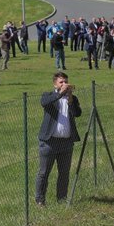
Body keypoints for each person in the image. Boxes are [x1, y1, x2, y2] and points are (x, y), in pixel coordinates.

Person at [35, 71, 82, 207]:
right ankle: (40, 200)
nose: (64, 84)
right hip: (49, 142)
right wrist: (60, 94)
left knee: (64, 173)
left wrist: (71, 100)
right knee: (44, 173)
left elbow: (78, 113)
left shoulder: (72, 99)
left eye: (66, 81)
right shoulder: (49, 96)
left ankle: (61, 200)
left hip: (66, 142)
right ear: (55, 84)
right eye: (61, 82)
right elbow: (44, 103)